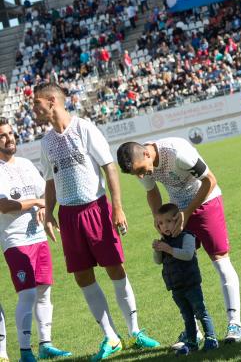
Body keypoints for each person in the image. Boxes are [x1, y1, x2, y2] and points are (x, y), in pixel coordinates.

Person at [32, 83, 159, 361]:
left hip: (96, 208)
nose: (34, 109)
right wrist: (50, 213)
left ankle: (135, 331)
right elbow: (50, 180)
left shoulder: (84, 128)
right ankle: (111, 336)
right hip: (68, 216)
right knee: (82, 276)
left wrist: (117, 208)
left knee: (115, 269)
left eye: (36, 103)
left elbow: (109, 167)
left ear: (52, 101)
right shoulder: (46, 142)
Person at [116, 137, 241, 345]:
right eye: (136, 174)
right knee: (180, 267)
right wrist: (158, 219)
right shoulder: (142, 163)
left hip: (207, 202)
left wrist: (189, 211)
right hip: (178, 212)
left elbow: (210, 180)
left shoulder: (178, 153)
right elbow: (152, 192)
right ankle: (193, 331)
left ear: (147, 154)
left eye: (141, 170)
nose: (141, 175)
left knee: (220, 261)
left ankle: (235, 323)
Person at [0, 118, 72, 362]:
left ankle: (45, 344)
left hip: (38, 236)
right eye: (2, 135)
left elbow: (45, 192)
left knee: (44, 292)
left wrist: (46, 206)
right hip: (15, 240)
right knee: (28, 293)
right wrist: (38, 203)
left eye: (10, 133)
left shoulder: (26, 164)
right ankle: (24, 352)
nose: (9, 138)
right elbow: (4, 205)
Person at [152, 203, 218, 355]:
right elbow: (158, 261)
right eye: (161, 223)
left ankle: (211, 338)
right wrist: (157, 250)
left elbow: (188, 255)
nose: (165, 226)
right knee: (187, 316)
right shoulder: (164, 241)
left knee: (200, 311)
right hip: (176, 287)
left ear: (178, 220)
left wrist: (169, 249)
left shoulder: (187, 236)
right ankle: (192, 342)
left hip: (190, 283)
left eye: (169, 221)